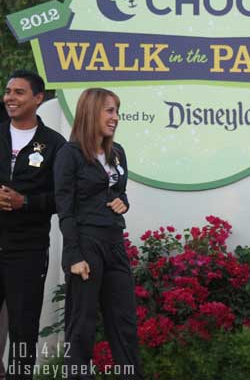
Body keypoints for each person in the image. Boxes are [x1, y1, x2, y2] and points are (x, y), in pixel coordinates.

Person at [54, 88, 143, 379]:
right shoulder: (70, 154)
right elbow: (65, 209)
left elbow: (120, 193)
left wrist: (124, 203)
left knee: (125, 324)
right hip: (86, 245)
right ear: (91, 111)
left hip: (115, 243)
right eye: (109, 110)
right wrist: (74, 256)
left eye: (117, 111)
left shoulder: (118, 153)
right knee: (81, 325)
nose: (116, 117)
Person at [1, 69, 66, 378]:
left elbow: (64, 197)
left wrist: (24, 202)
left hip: (27, 250)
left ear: (38, 99)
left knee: (23, 328)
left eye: (19, 92)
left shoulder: (54, 144)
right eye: (8, 91)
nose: (10, 98)